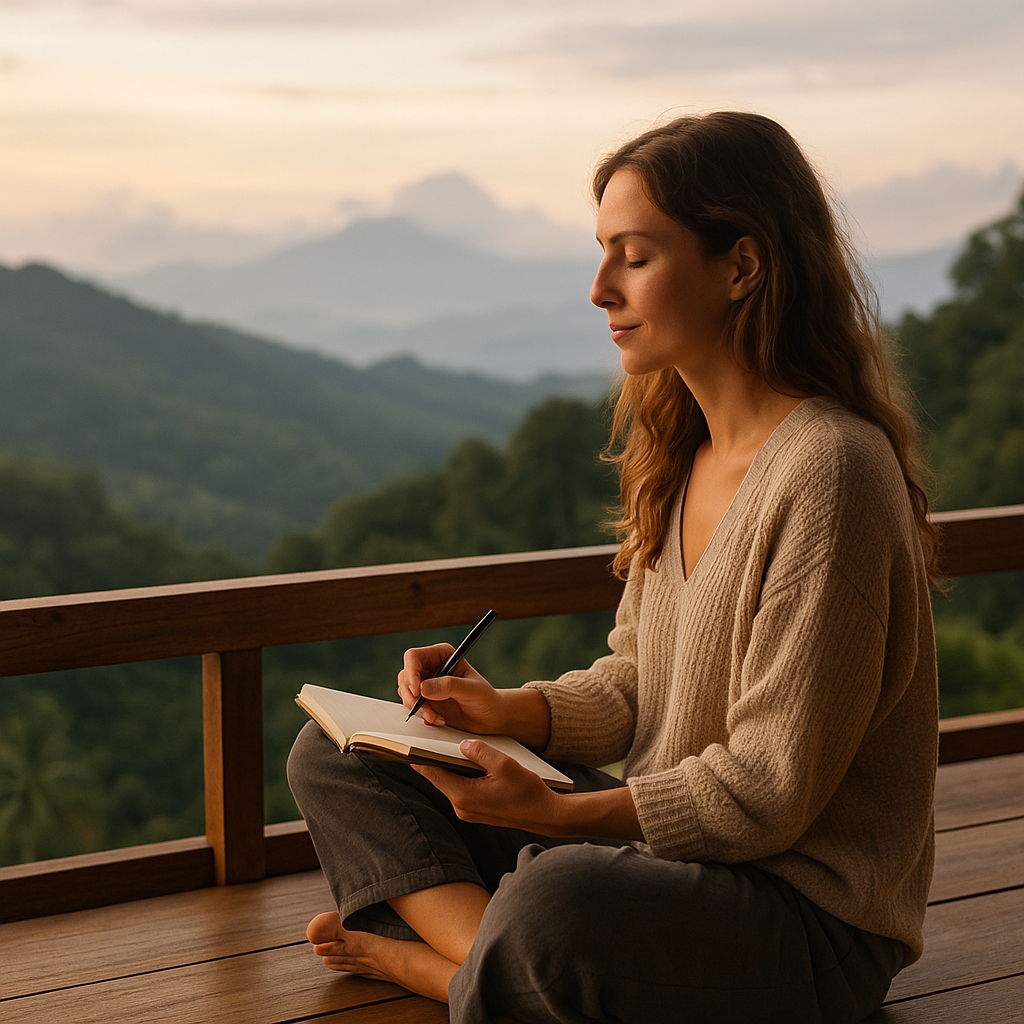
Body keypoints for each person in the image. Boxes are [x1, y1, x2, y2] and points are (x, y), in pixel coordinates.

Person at [287, 111, 939, 1024]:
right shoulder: (684, 454)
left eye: (633, 255)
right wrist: (508, 712)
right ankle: (494, 963)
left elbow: (768, 790)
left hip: (802, 918)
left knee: (559, 896)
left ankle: (454, 971)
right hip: (672, 861)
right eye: (602, 254)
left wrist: (554, 820)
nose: (599, 288)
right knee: (341, 754)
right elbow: (637, 684)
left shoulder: (832, 470)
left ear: (741, 266)